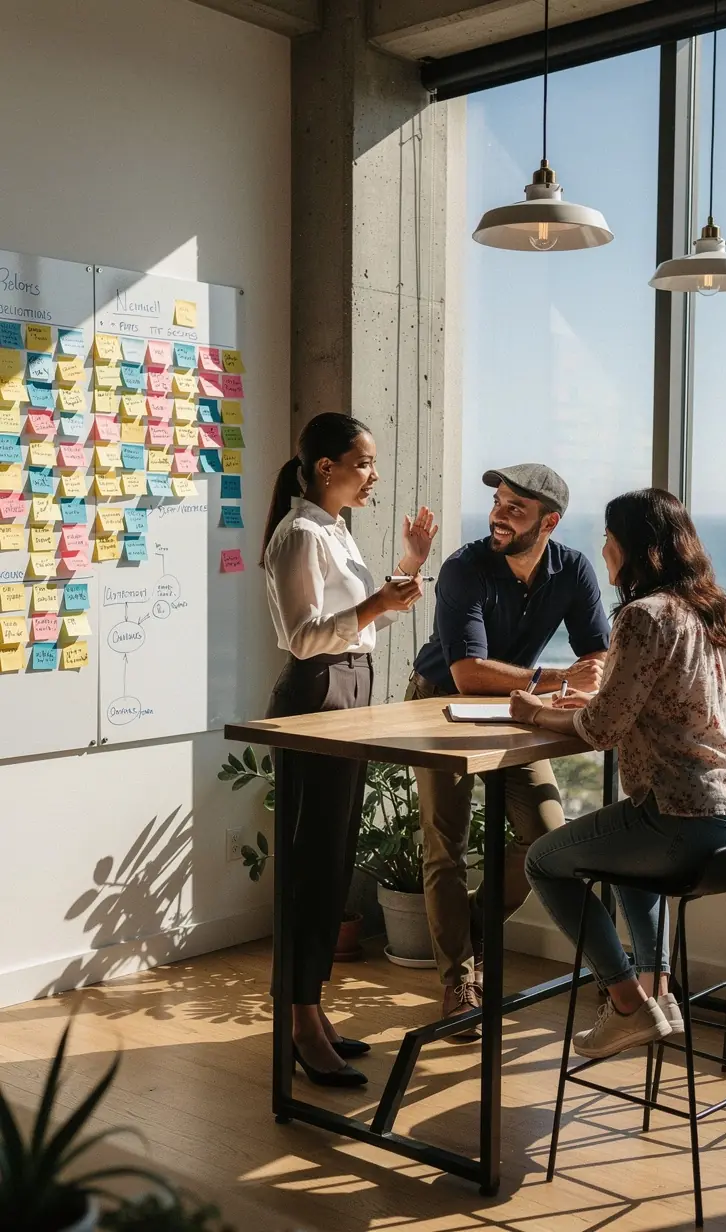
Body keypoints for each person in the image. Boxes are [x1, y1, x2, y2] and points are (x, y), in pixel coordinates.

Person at [511, 488, 726, 1060]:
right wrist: (596, 695)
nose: (602, 549)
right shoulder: (710, 607)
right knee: (621, 850)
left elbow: (601, 731)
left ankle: (626, 1004)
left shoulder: (643, 615)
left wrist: (535, 711)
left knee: (543, 862)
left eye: (608, 537)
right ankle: (658, 994)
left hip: (689, 824)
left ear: (633, 547)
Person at [262, 412, 438, 1087]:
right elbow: (307, 636)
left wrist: (407, 569)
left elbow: (363, 616)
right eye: (363, 462)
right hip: (317, 694)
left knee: (332, 863)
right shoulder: (299, 534)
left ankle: (313, 1011)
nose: (374, 475)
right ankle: (301, 1021)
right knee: (311, 866)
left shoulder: (332, 530)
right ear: (327, 467)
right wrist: (375, 607)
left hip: (350, 689)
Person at [408, 463, 610, 1032]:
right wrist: (556, 679)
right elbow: (468, 673)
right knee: (446, 847)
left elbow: (598, 655)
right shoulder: (463, 569)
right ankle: (458, 980)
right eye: (498, 501)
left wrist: (583, 676)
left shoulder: (572, 569)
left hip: (515, 712)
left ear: (550, 522)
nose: (498, 513)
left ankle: (465, 933)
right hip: (439, 705)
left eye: (515, 508)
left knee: (546, 841)